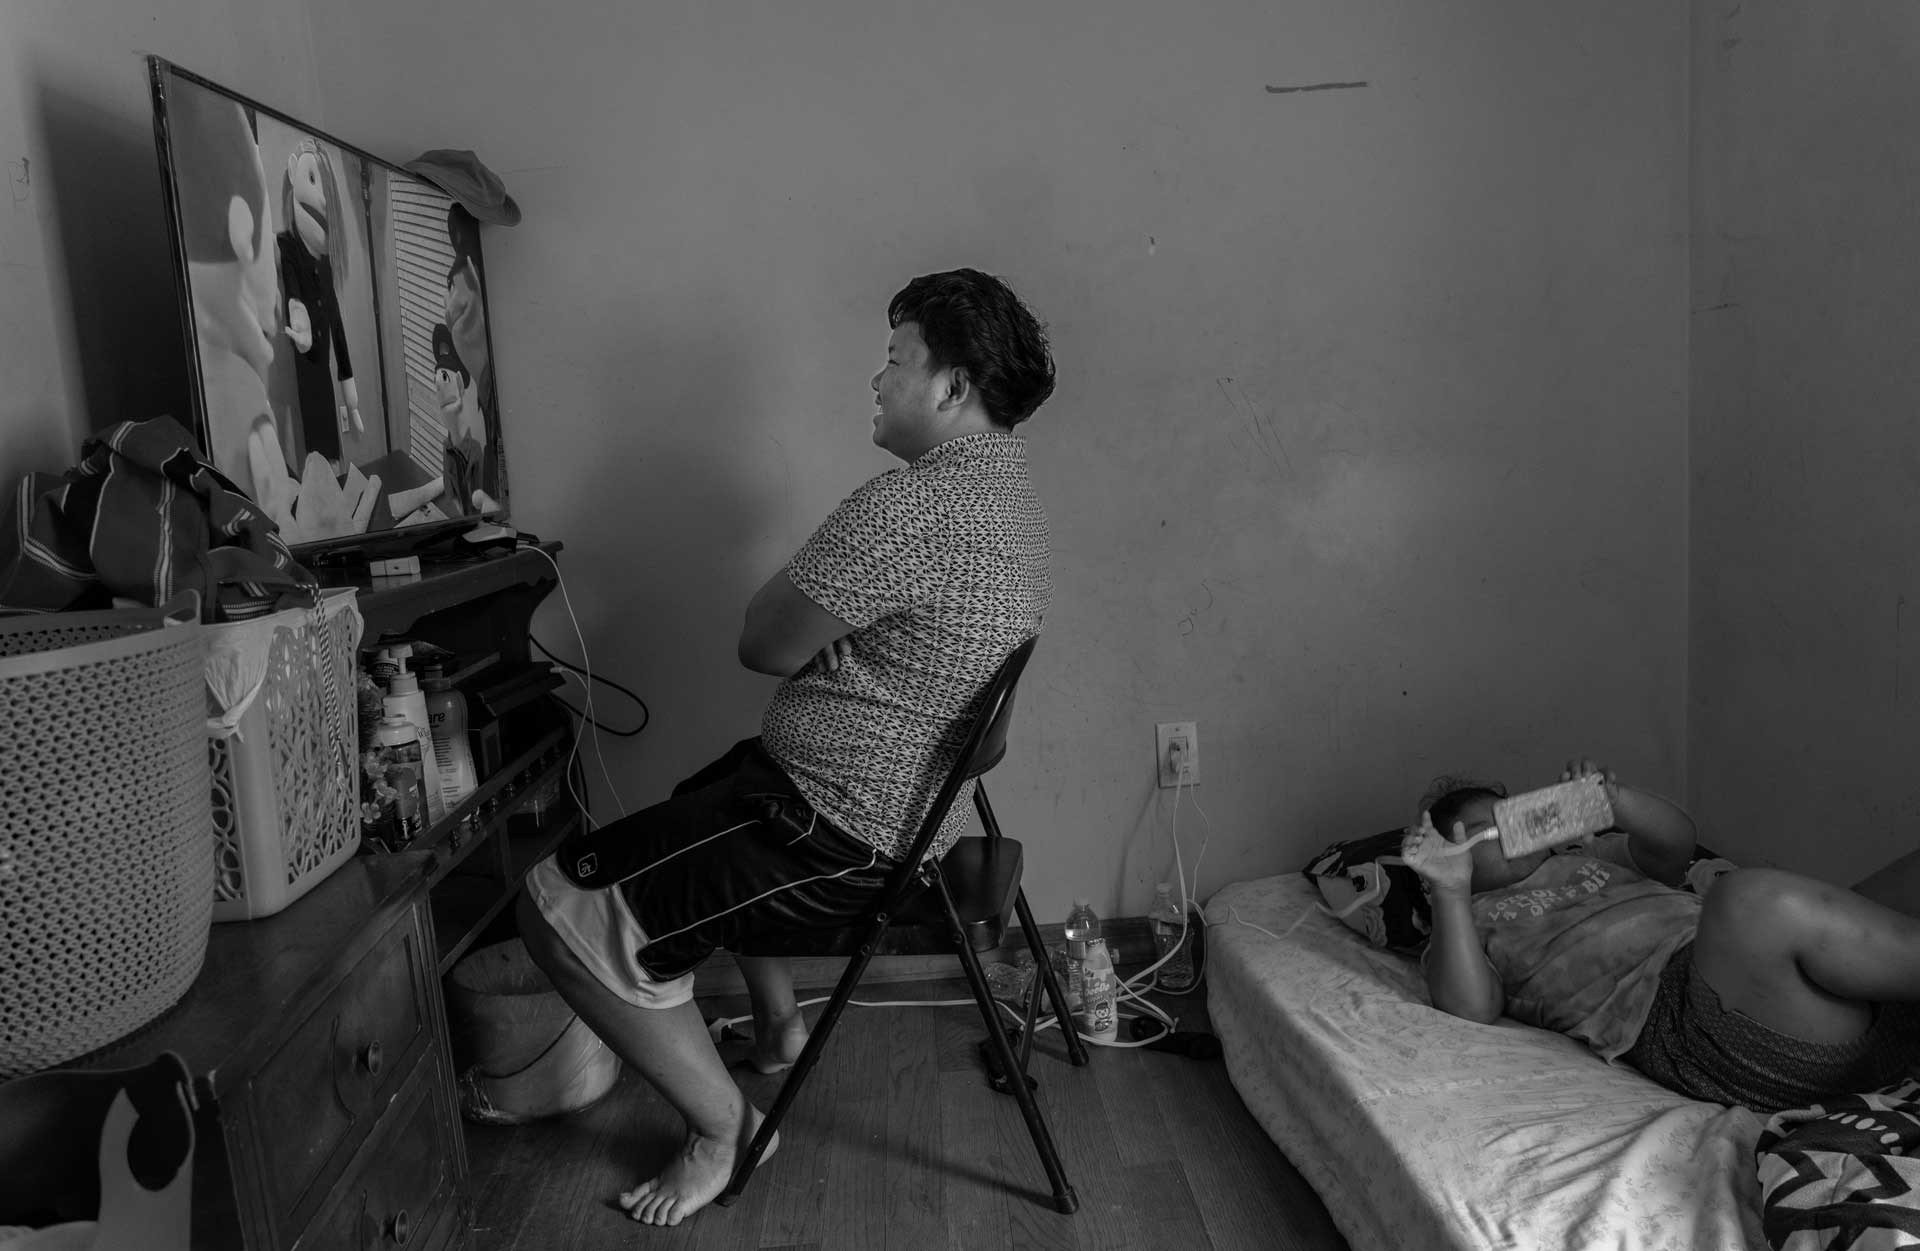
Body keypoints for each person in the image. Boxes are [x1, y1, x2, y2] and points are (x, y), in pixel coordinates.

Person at [514, 268, 1056, 1227]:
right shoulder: (1011, 504)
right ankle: (776, 1027)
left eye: (895, 362)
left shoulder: (911, 508)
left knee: (556, 903)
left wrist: (815, 582)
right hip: (882, 808)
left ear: (954, 387)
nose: (877, 382)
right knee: (699, 784)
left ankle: (728, 1131)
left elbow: (761, 641)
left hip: (830, 832)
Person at [1403, 757, 1920, 1114]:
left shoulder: (1588, 858)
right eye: (1482, 831)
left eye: (1508, 815)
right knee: (1746, 899)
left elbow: (1676, 846)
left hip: (1799, 991)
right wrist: (1450, 893)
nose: (1505, 831)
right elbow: (1471, 1006)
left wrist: (1615, 803)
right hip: (1703, 1029)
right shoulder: (1470, 924)